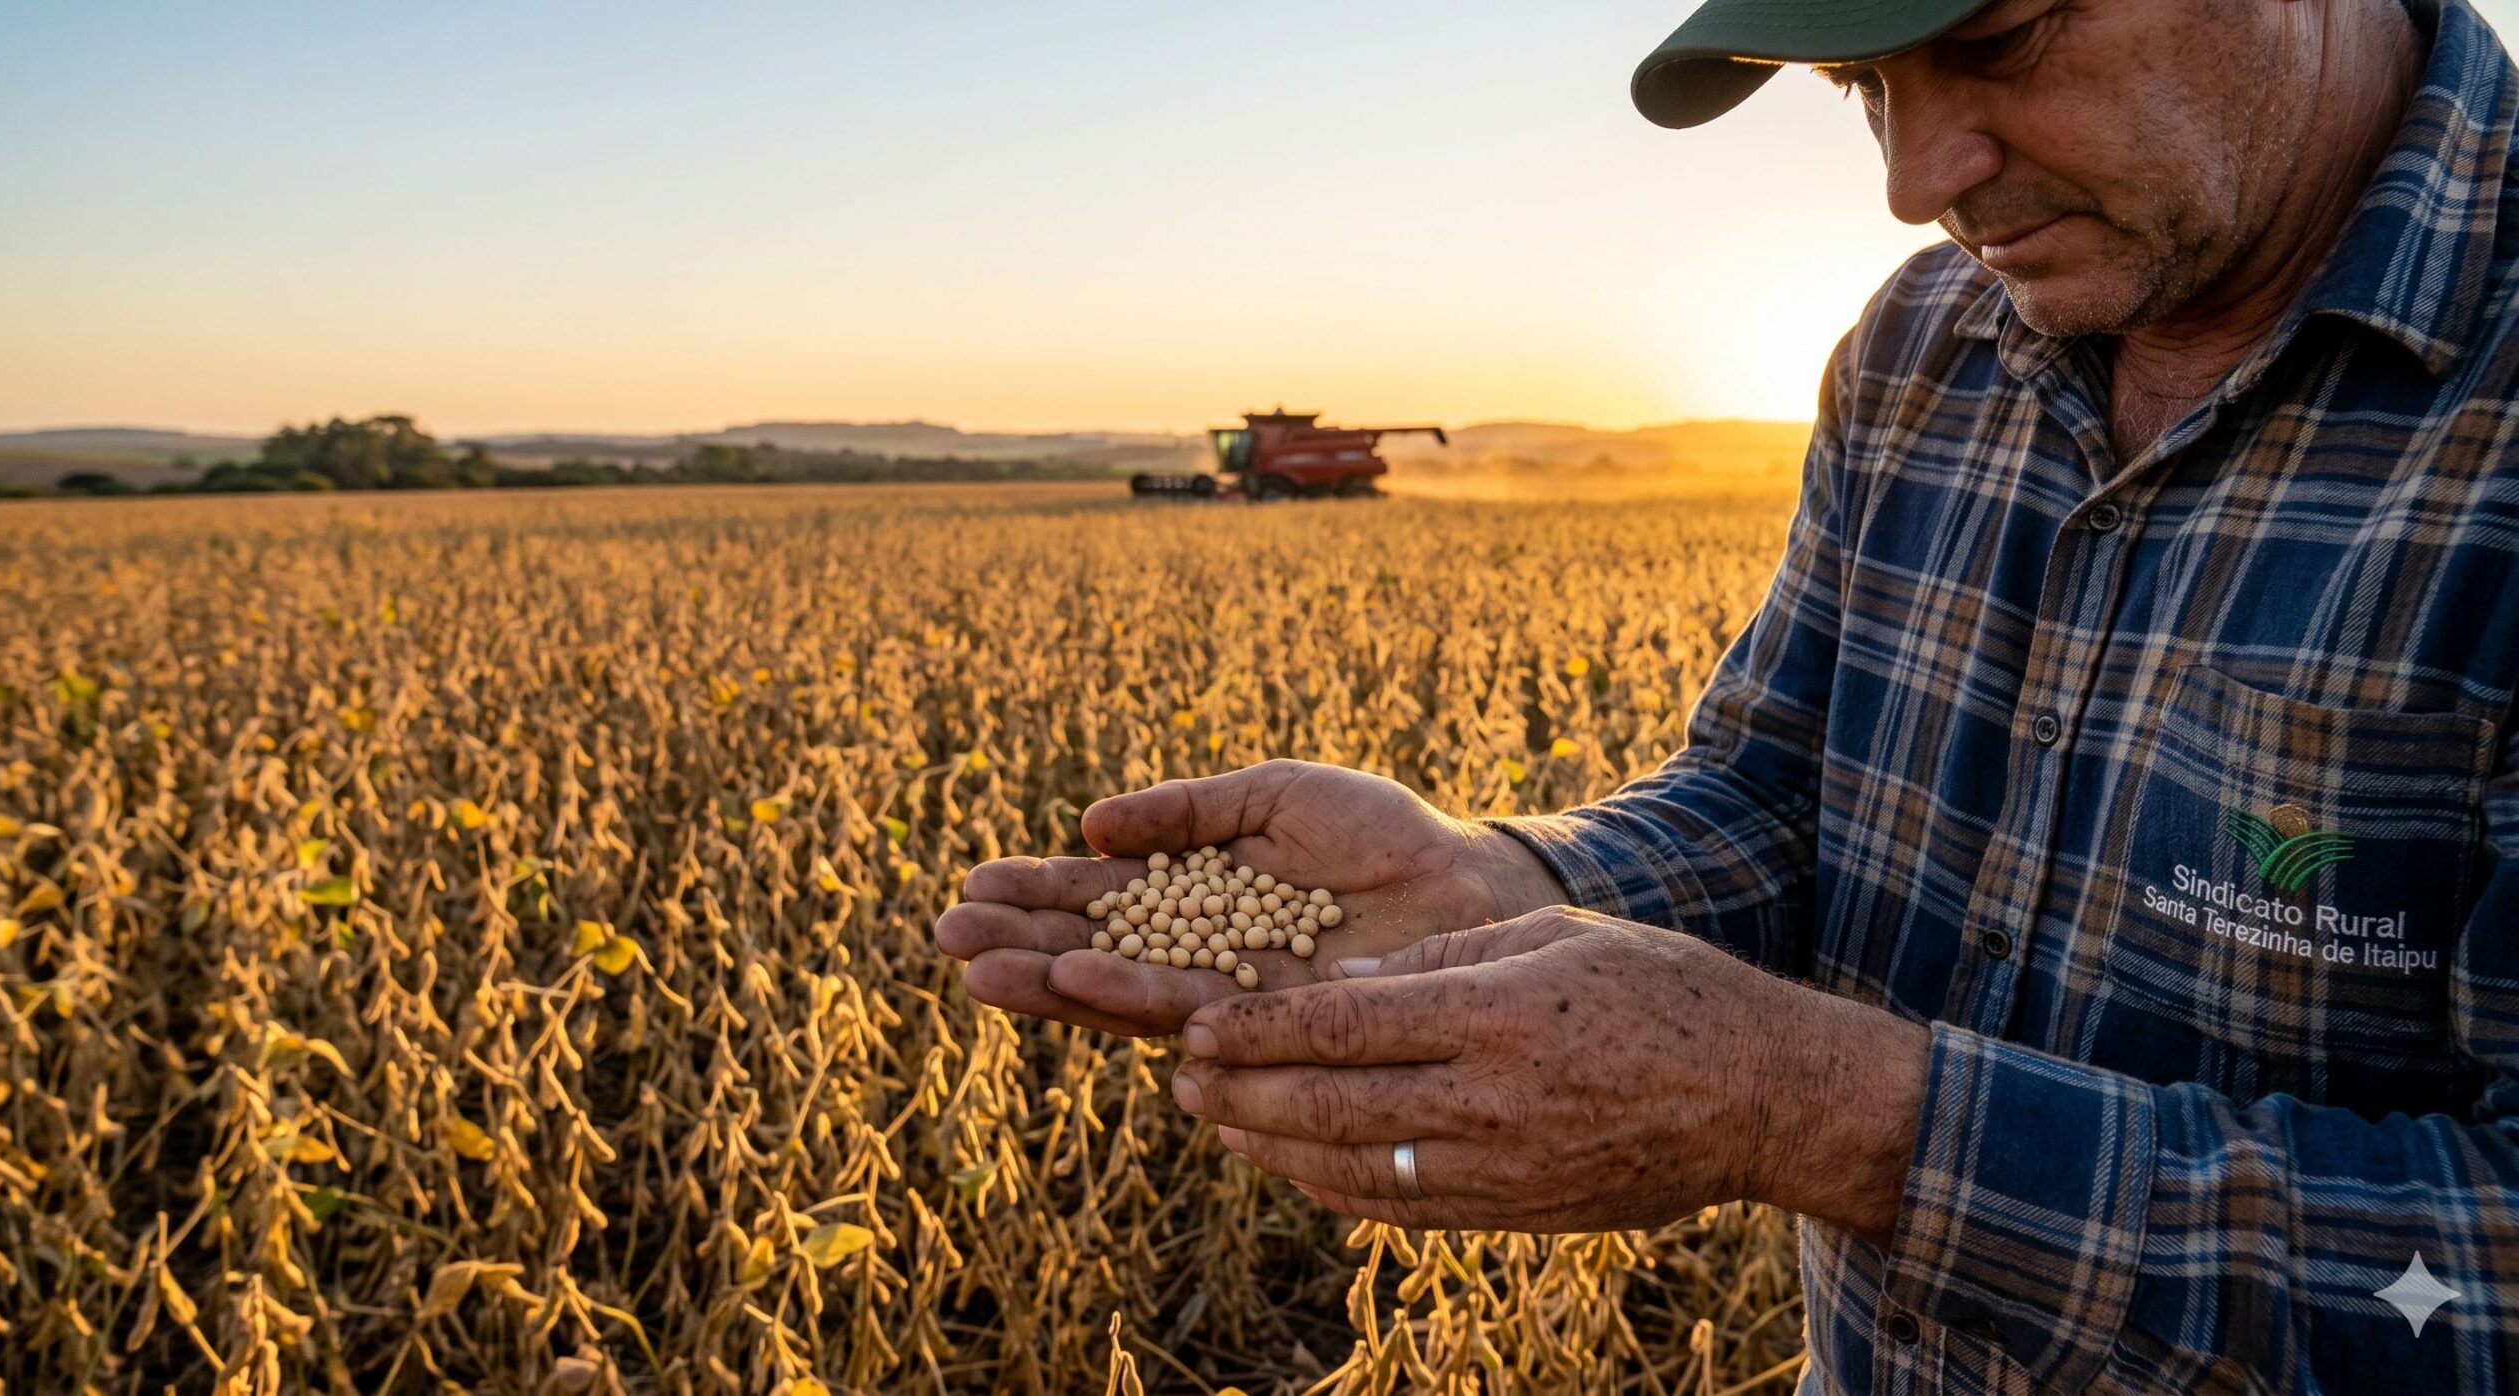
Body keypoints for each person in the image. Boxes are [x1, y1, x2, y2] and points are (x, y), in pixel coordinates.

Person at [937, 0, 2519, 1387]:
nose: (1916, 182)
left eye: (1995, 42)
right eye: (1862, 88)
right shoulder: (1924, 347)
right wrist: (1508, 879)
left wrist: (1823, 1115)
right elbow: (1782, 797)